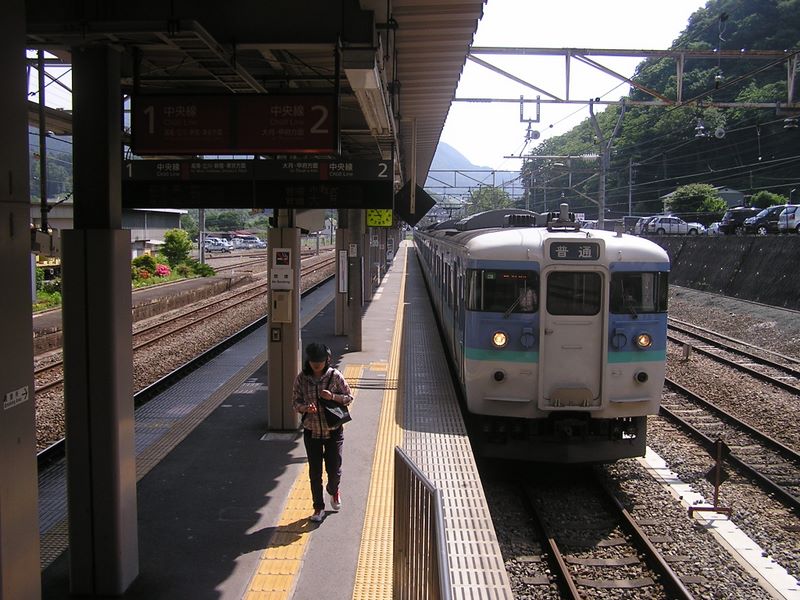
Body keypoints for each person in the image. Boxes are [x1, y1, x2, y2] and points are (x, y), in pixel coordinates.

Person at [292, 342, 353, 523]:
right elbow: (295, 402)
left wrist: (332, 397)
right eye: (313, 361)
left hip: (333, 431)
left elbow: (349, 397)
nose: (316, 365)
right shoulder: (302, 378)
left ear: (327, 359)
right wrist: (305, 408)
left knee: (334, 470)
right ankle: (318, 507)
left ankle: (334, 490)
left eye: (319, 361)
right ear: (308, 361)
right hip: (312, 432)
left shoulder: (335, 376)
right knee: (315, 472)